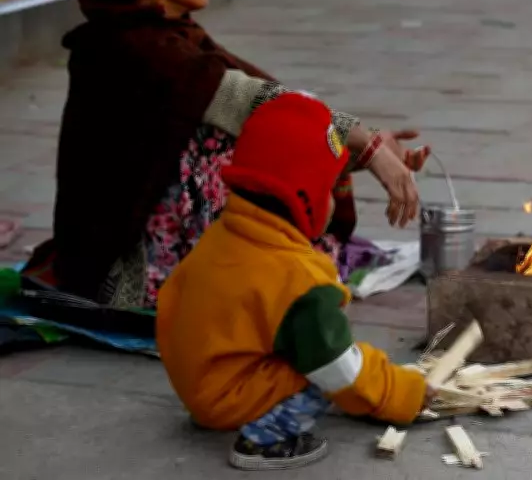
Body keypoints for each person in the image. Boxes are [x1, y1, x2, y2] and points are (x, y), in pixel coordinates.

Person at [23, 0, 427, 309]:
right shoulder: (139, 52)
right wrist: (363, 142)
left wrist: (354, 145)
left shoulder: (165, 37)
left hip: (132, 251)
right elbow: (256, 101)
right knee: (239, 134)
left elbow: (268, 99)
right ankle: (230, 270)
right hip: (121, 271)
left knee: (284, 128)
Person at [157, 92, 433, 470]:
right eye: (331, 188)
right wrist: (401, 392)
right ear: (305, 195)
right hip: (228, 397)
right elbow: (341, 369)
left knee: (307, 344)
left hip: (200, 383)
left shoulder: (221, 237)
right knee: (320, 365)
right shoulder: (299, 282)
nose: (335, 202)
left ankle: (233, 407)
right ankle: (264, 441)